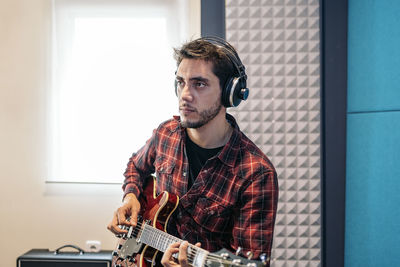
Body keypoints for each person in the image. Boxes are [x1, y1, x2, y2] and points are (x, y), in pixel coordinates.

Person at [107, 37, 278, 267]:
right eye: (181, 82)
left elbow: (251, 258)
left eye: (199, 84)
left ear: (229, 92)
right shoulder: (166, 133)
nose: (185, 95)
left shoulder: (255, 173)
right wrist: (130, 197)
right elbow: (135, 167)